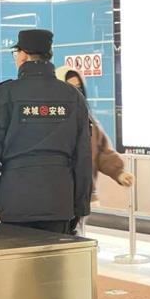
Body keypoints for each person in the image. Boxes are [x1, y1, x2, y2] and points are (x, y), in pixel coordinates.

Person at [0, 29, 92, 234]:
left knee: (17, 255)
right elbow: (83, 156)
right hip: (59, 201)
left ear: (23, 55)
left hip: (15, 201)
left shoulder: (5, 94)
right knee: (56, 255)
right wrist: (81, 205)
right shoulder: (73, 96)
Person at [56, 66, 134, 235]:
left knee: (76, 238)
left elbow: (101, 152)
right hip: (56, 196)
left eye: (79, 88)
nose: (76, 93)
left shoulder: (88, 121)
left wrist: (119, 173)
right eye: (70, 88)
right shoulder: (50, 121)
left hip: (81, 196)